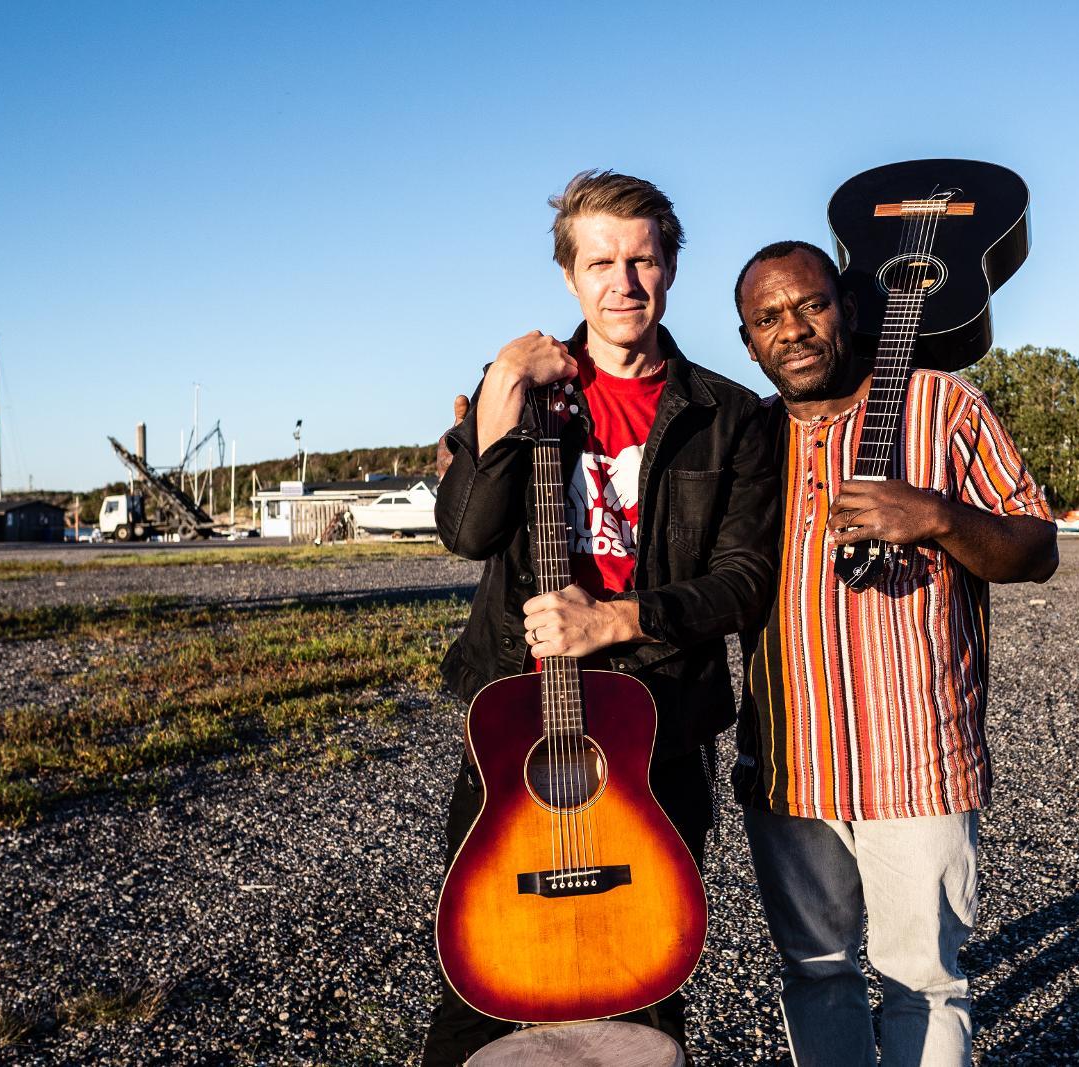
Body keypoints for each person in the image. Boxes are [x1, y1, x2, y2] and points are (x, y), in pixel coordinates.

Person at [423, 170, 779, 1066]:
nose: (624, 282)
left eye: (643, 259)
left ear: (669, 268)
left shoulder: (727, 417)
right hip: (521, 721)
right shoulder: (524, 386)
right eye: (601, 262)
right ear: (571, 277)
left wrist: (616, 620)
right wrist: (503, 381)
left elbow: (744, 580)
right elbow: (467, 532)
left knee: (641, 978)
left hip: (659, 718)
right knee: (485, 969)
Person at [731, 241, 1057, 1066]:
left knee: (923, 977)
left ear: (847, 304)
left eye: (811, 304)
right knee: (814, 970)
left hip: (916, 758)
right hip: (788, 765)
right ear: (746, 340)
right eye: (767, 317)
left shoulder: (940, 407)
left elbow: (1035, 547)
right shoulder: (745, 442)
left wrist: (940, 517)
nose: (793, 330)